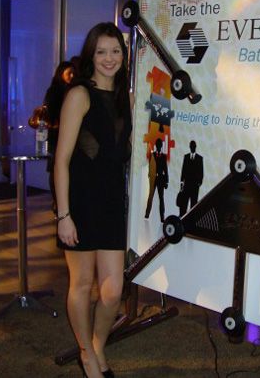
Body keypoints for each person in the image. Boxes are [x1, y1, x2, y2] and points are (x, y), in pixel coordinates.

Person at [54, 22, 132, 378]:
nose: (109, 58)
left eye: (115, 51)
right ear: (91, 56)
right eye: (101, 52)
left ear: (123, 56)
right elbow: (61, 160)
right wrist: (64, 215)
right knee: (82, 284)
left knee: (113, 291)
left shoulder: (126, 99)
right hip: (81, 203)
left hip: (113, 203)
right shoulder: (79, 95)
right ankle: (87, 354)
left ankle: (97, 344)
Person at [43, 60, 76, 213]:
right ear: (61, 73)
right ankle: (57, 202)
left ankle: (60, 202)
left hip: (63, 133)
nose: (72, 76)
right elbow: (50, 114)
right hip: (56, 135)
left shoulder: (72, 90)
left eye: (73, 73)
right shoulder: (55, 90)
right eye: (69, 73)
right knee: (56, 167)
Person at [144, 137, 169, 222]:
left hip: (161, 179)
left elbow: (166, 170)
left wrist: (167, 181)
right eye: (157, 145)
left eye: (160, 145)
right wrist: (149, 175)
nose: (158, 146)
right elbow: (150, 166)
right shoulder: (153, 155)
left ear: (161, 146)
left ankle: (162, 217)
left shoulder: (164, 156)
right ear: (156, 145)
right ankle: (147, 215)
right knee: (150, 196)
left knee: (161, 198)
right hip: (153, 179)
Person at [179, 140, 203, 216]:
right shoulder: (186, 157)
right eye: (191, 146)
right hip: (187, 184)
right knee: (184, 203)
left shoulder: (200, 158)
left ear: (195, 147)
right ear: (190, 147)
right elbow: (183, 170)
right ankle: (182, 217)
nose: (192, 148)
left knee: (193, 204)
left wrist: (199, 182)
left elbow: (201, 171)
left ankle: (192, 218)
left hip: (195, 186)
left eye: (194, 146)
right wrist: (182, 182)